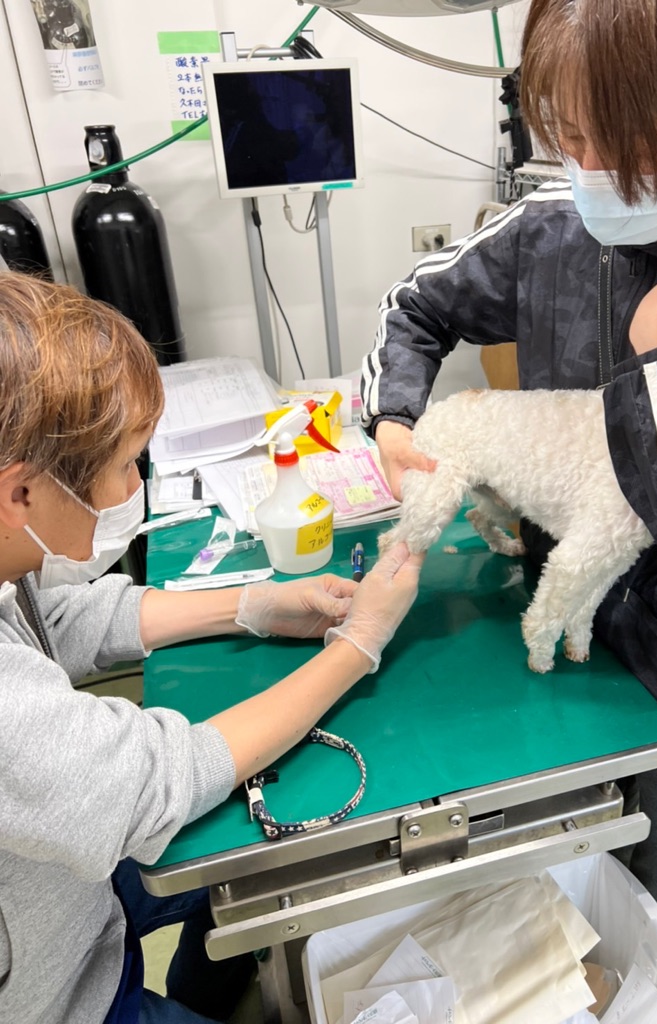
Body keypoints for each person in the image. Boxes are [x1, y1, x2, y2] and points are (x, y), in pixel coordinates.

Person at [361, 0, 657, 994]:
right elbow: (417, 304)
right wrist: (396, 420)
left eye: (622, 144)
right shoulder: (552, 229)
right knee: (540, 917)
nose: (587, 171)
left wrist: (655, 337)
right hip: (550, 638)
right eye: (569, 135)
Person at [0, 270, 424, 1024]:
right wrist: (357, 644)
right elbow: (161, 776)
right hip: (54, 995)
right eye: (125, 465)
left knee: (250, 868)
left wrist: (252, 607)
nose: (132, 487)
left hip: (67, 893)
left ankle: (205, 994)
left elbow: (50, 623)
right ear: (20, 492)